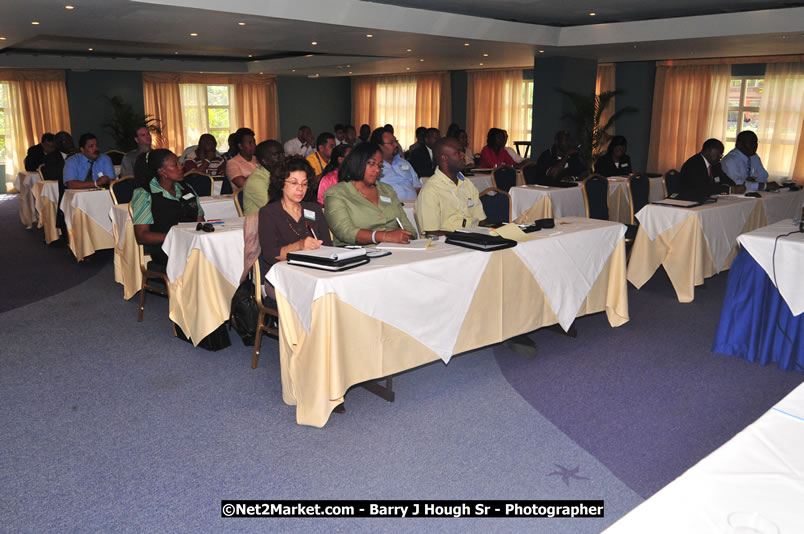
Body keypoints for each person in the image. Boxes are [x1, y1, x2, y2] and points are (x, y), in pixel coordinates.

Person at [324, 142, 417, 246]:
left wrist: (405, 236)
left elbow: (409, 229)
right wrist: (386, 236)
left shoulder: (387, 190)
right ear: (357, 162)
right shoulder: (336, 193)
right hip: (359, 254)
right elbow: (345, 232)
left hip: (396, 250)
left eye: (380, 166)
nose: (377, 170)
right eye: (372, 163)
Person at [131, 149, 205, 265]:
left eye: (179, 163)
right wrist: (176, 237)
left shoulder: (187, 189)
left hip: (192, 243)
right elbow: (142, 235)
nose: (181, 167)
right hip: (166, 248)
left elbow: (200, 221)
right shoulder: (145, 194)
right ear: (162, 171)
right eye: (175, 165)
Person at [258, 157, 331, 271]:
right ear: (281, 183)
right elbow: (271, 255)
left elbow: (328, 246)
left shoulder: (314, 209)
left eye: (304, 184)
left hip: (315, 269)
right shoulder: (268, 213)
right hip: (283, 274)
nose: (300, 189)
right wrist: (299, 246)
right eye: (294, 183)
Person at [415, 137, 486, 234]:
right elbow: (431, 233)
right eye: (458, 153)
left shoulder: (467, 183)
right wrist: (463, 237)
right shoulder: (431, 190)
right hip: (447, 243)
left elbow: (481, 220)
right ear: (444, 158)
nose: (463, 155)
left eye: (462, 151)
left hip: (473, 236)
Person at [369, 126, 421, 200]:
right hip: (390, 208)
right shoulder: (373, 167)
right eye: (391, 143)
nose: (396, 145)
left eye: (396, 141)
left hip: (413, 207)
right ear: (379, 146)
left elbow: (418, 187)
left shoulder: (405, 163)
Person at [243, 140, 285, 215]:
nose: (283, 158)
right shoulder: (256, 181)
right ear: (265, 161)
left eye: (283, 153)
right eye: (277, 155)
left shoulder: (282, 173)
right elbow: (275, 209)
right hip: (258, 223)